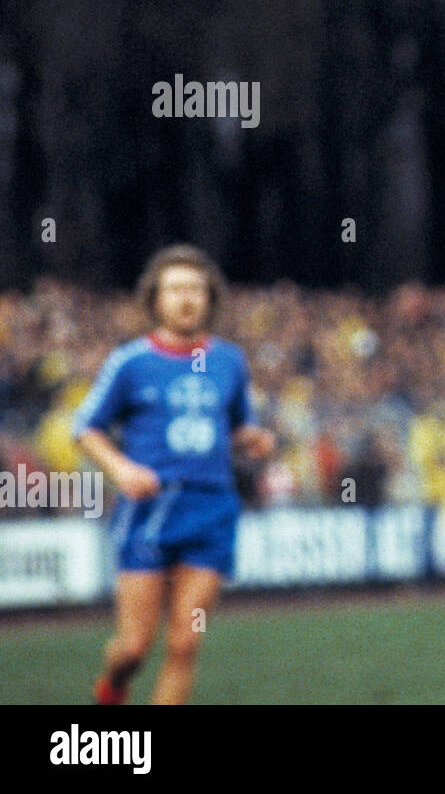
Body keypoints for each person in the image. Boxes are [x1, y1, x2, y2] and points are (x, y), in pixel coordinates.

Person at [74, 244, 274, 704]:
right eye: (176, 289)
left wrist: (254, 440)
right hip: (150, 510)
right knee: (134, 648)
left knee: (185, 642)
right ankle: (114, 684)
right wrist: (121, 469)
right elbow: (86, 429)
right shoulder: (131, 362)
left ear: (209, 298)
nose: (186, 299)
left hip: (211, 508)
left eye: (196, 289)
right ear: (156, 299)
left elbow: (239, 425)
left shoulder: (230, 361)